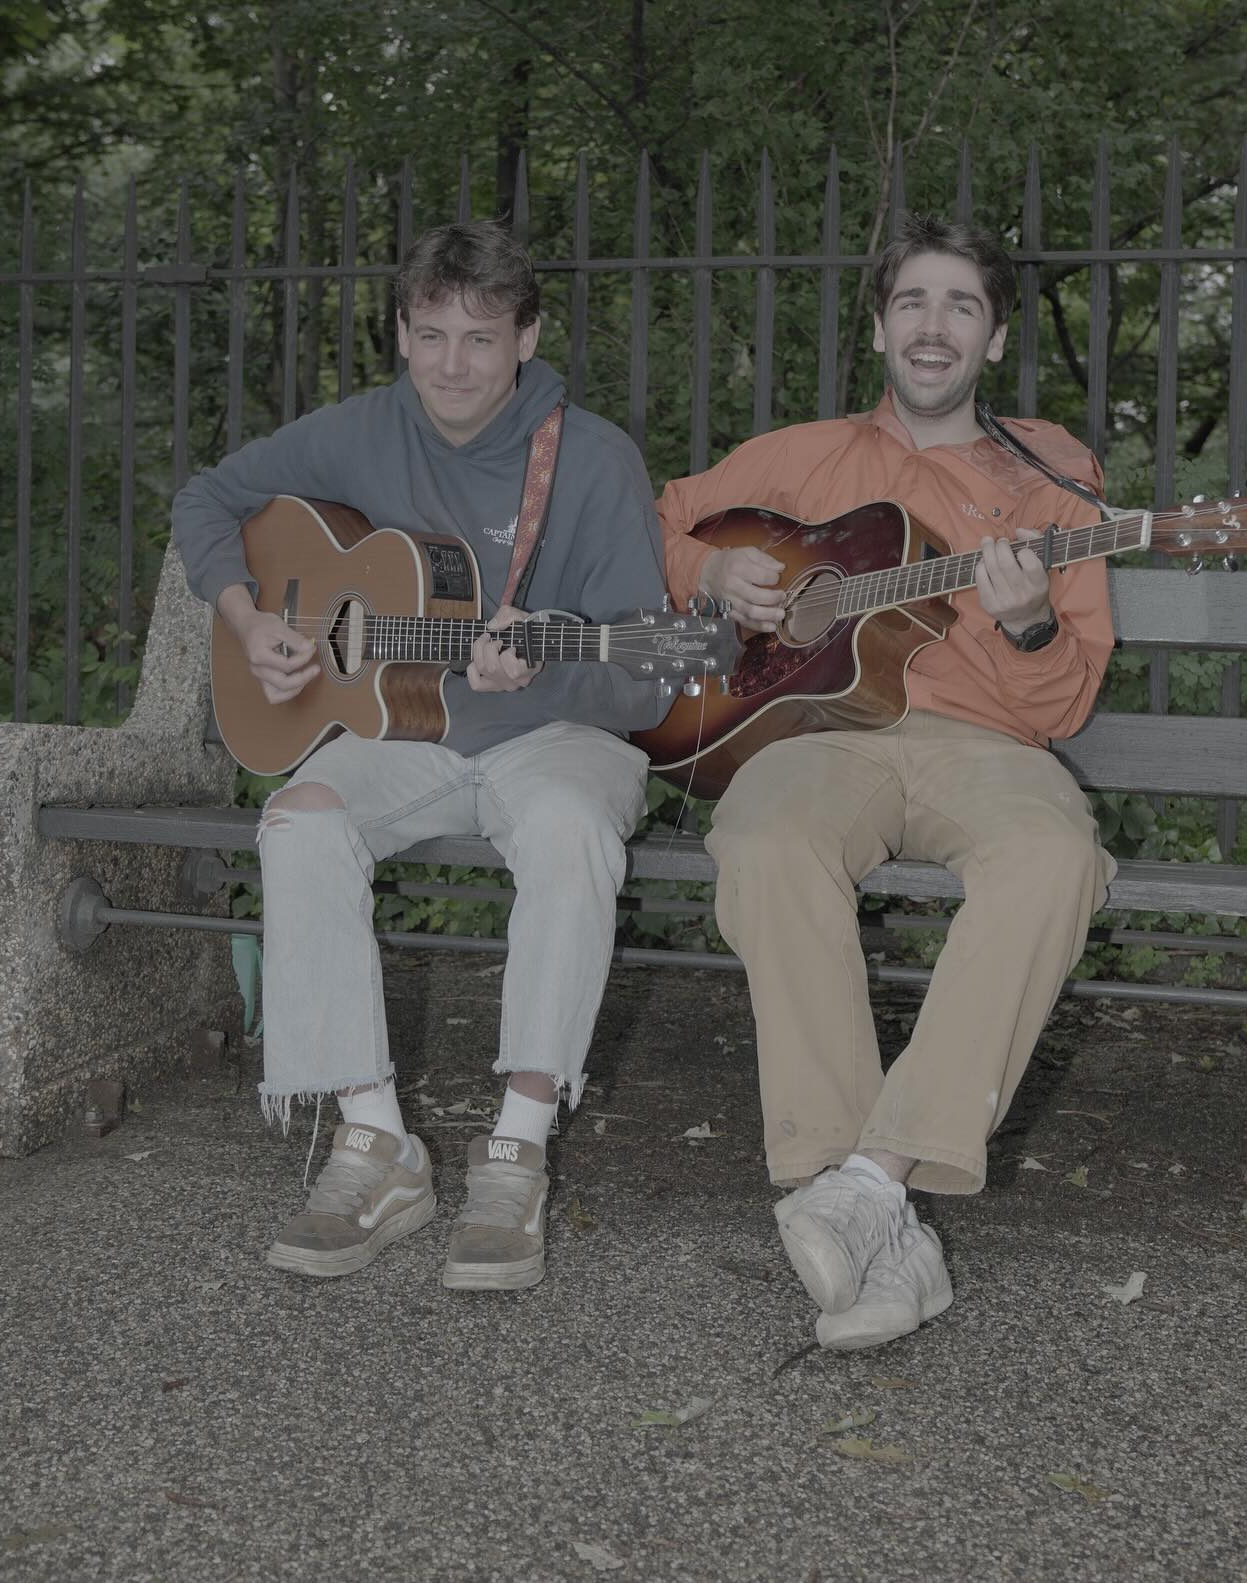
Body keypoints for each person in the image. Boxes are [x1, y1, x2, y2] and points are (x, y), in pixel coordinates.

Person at [172, 220, 667, 1289]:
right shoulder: (363, 430)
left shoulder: (594, 460)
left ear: (527, 337)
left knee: (572, 828)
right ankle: (377, 1138)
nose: (452, 363)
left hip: (561, 732)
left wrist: (545, 671)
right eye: (430, 333)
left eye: (480, 338)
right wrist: (251, 616)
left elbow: (649, 678)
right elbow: (207, 494)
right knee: (300, 816)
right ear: (400, 331)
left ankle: (520, 1146)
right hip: (408, 734)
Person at [656, 214, 1116, 1351]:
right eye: (914, 300)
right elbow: (663, 517)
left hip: (990, 748)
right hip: (820, 736)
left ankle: (866, 1178)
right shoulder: (801, 457)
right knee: (763, 843)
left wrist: (1023, 624)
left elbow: (1062, 705)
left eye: (962, 304)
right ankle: (877, 1222)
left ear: (994, 337)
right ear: (880, 325)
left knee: (1057, 859)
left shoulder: (1052, 476)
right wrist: (710, 566)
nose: (934, 324)